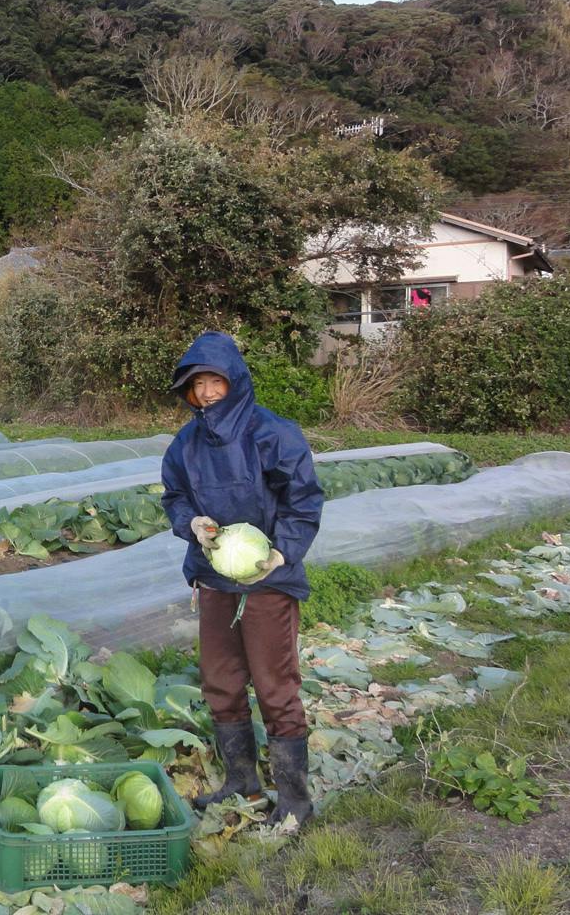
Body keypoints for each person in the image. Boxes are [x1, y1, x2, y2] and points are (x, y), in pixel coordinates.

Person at [160, 331, 325, 827]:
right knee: (221, 682)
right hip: (214, 578)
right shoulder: (185, 444)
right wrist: (190, 522)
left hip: (267, 579)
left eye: (215, 381)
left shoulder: (272, 433)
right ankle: (242, 779)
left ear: (235, 382)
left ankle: (294, 799)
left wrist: (282, 552)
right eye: (197, 384)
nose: (207, 392)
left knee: (275, 686)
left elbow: (304, 499)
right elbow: (175, 497)